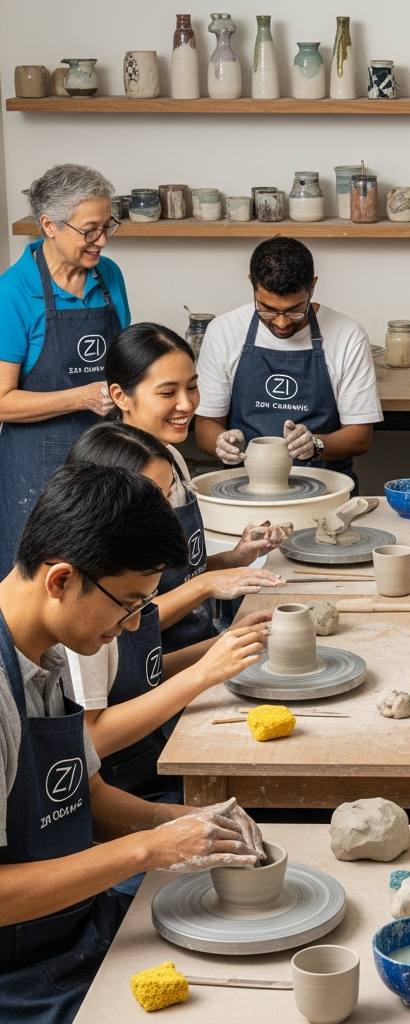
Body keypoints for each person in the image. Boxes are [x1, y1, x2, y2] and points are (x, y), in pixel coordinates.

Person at [0, 463, 265, 1024]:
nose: (131, 624)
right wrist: (149, 850)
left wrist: (180, 821)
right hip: (16, 978)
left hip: (70, 925)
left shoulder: (46, 651)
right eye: (127, 602)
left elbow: (82, 798)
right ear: (60, 579)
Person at [64, 422, 271, 804]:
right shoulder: (86, 597)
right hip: (115, 790)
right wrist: (203, 673)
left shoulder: (126, 566)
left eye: (167, 495)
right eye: (154, 498)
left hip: (153, 757)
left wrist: (224, 643)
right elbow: (90, 738)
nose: (167, 511)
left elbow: (143, 673)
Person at [106, 324, 284, 653]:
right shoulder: (117, 480)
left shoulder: (169, 455)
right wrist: (205, 585)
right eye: (167, 393)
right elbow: (119, 626)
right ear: (121, 396)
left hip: (195, 642)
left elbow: (180, 574)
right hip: (151, 664)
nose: (187, 404)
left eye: (192, 387)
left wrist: (235, 557)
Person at [0, 164, 131, 575]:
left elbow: (127, 360)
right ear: (49, 225)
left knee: (107, 579)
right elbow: (2, 402)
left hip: (107, 457)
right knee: (42, 584)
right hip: (38, 470)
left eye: (108, 225)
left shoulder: (109, 276)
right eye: (90, 230)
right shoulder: (13, 291)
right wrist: (80, 396)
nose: (103, 241)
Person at [193, 237, 381, 492]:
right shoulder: (224, 331)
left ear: (312, 287)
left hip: (323, 485)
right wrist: (220, 442)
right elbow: (205, 425)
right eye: (267, 309)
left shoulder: (346, 335)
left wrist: (316, 445)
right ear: (252, 283)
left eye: (294, 310)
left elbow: (360, 436)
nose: (281, 323)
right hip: (245, 485)